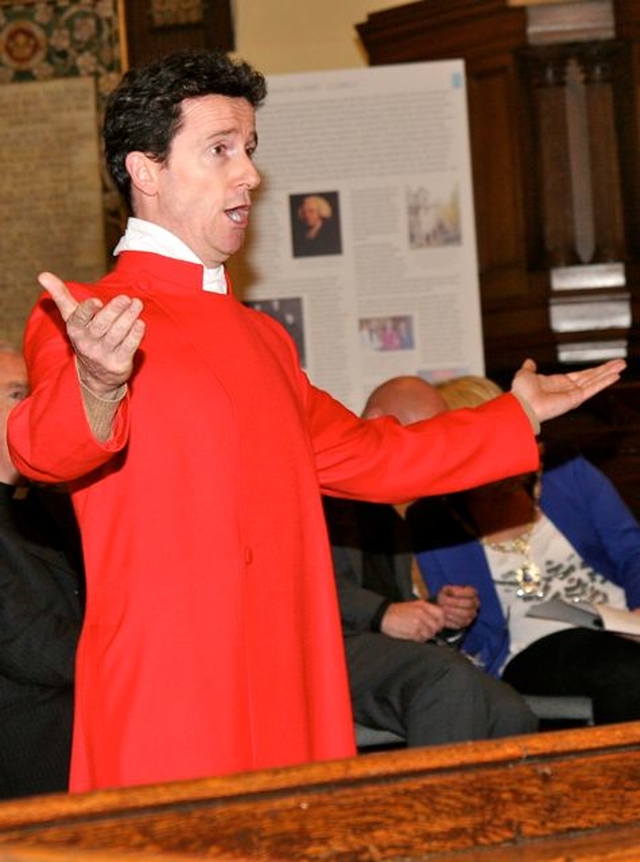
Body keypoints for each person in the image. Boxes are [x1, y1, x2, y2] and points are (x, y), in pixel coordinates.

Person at [6, 48, 625, 793]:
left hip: (287, 670)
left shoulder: (262, 337)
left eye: (250, 150)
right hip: (175, 685)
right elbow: (42, 450)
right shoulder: (80, 313)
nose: (251, 176)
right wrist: (100, 383)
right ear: (147, 170)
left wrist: (510, 416)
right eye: (220, 151)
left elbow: (370, 456)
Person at [411, 374, 640, 725]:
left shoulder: (564, 471)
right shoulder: (433, 518)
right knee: (624, 669)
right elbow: (451, 623)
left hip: (623, 622)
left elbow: (632, 550)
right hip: (530, 649)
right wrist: (451, 615)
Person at [325, 376, 538, 746]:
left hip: (372, 651)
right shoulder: (317, 487)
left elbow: (390, 601)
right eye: (424, 439)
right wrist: (382, 613)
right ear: (378, 420)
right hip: (323, 645)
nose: (432, 456)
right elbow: (295, 584)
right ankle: (434, 806)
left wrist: (436, 614)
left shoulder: (392, 508)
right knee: (445, 677)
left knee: (509, 710)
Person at [0, 346, 84, 798]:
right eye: (18, 395)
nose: (34, 409)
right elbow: (35, 647)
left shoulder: (47, 503)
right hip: (33, 777)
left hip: (89, 759)